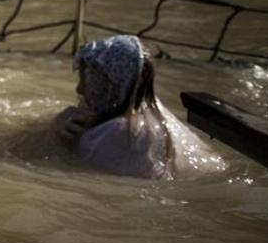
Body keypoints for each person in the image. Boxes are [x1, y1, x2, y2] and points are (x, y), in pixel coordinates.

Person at [55, 35, 225, 179]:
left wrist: (62, 139)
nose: (80, 90)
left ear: (110, 84)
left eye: (87, 81)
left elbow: (64, 168)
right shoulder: (164, 119)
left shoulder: (116, 132)